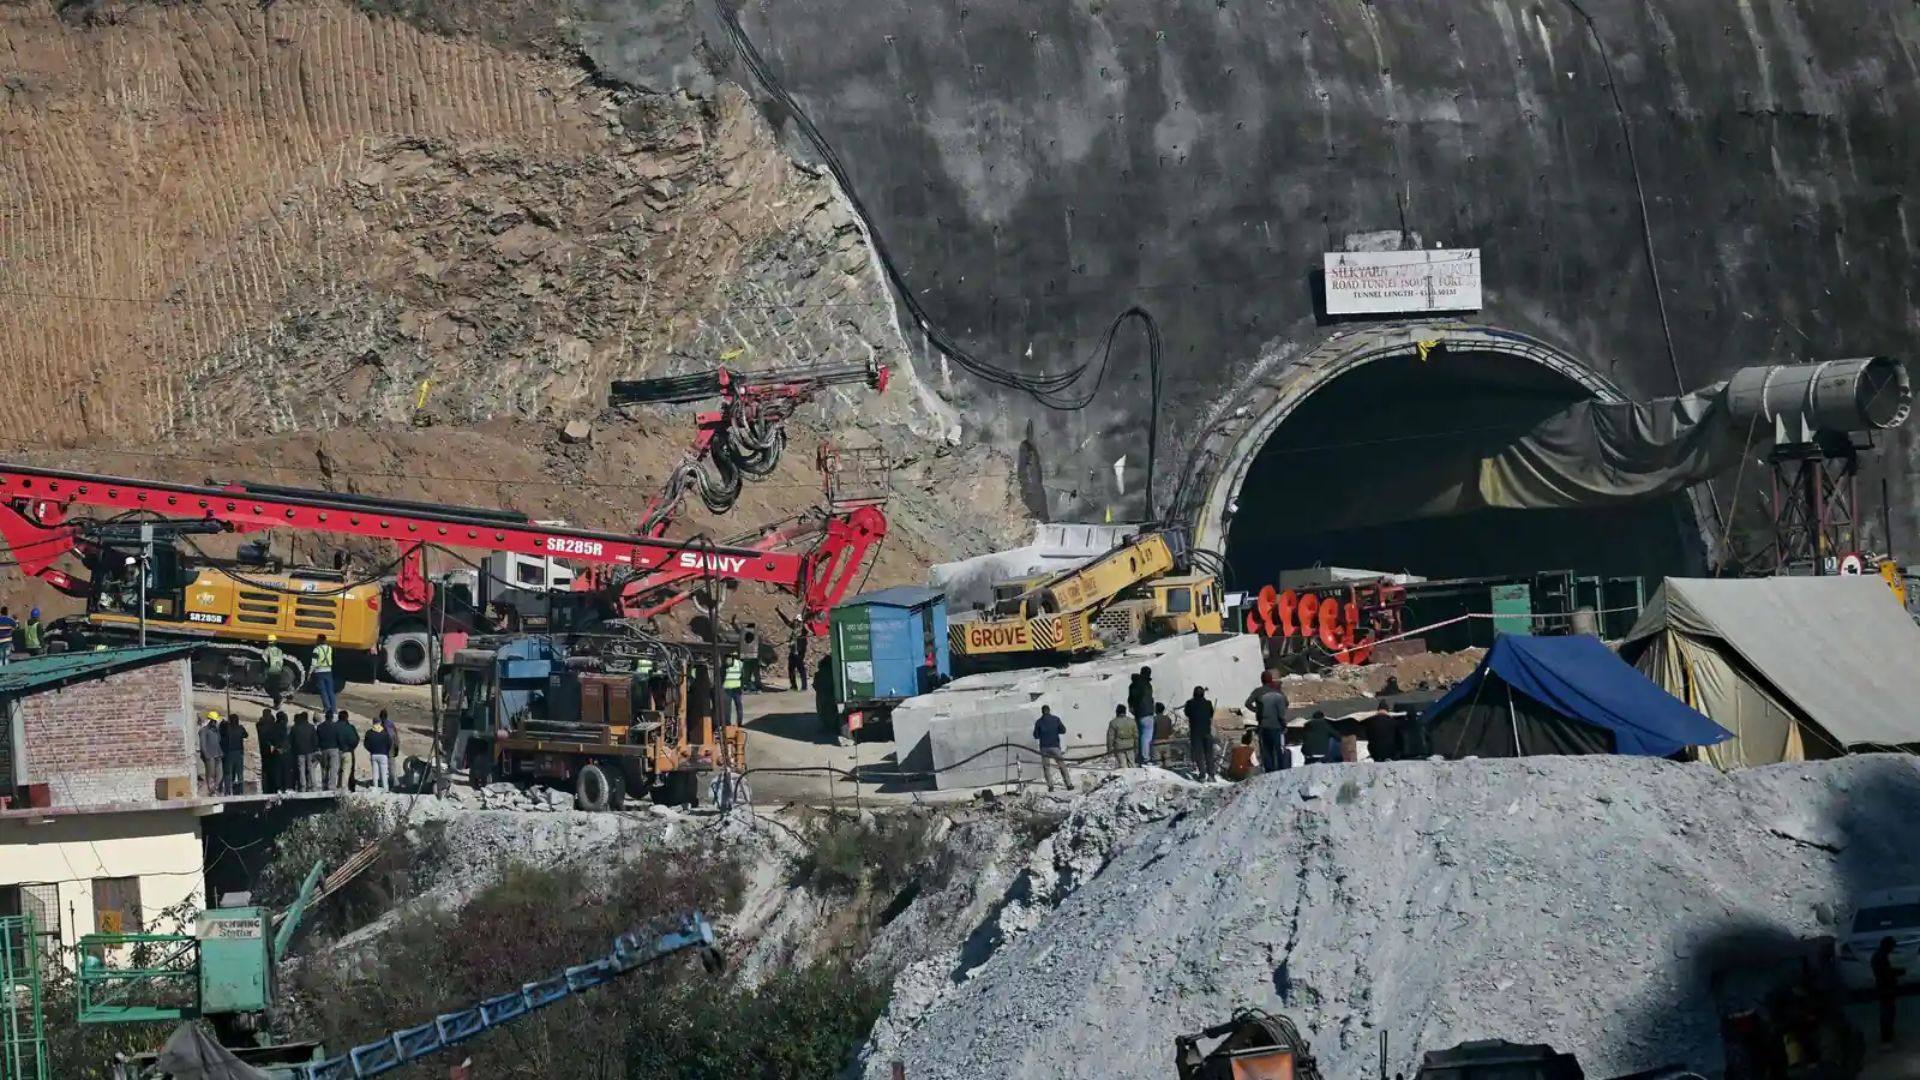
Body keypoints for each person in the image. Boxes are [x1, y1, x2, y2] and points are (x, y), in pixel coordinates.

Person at [1246, 669, 1291, 773]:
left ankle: (1269, 770)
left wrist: (1258, 710)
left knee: (1266, 749)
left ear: (1262, 680)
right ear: (1271, 680)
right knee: (1278, 748)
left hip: (1263, 724)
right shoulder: (1278, 692)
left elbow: (1247, 703)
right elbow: (1286, 703)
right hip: (1278, 725)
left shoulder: (1258, 691)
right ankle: (1281, 769)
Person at [1031, 705, 1074, 792]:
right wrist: (1055, 730)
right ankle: (1068, 784)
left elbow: (1036, 736)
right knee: (1062, 765)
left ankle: (1050, 786)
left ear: (1042, 712)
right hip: (1055, 746)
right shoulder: (1056, 719)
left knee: (1046, 768)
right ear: (1049, 711)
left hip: (1044, 747)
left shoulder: (1039, 722)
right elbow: (1063, 730)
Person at [1874, 936, 1905, 1044]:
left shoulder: (1879, 956)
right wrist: (1898, 972)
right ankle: (1886, 1036)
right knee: (1887, 1012)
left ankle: (1887, 1035)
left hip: (1885, 987)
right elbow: (1885, 973)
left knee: (1888, 1011)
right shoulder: (1880, 957)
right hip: (1885, 988)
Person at [1184, 687, 1217, 782]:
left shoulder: (1190, 703)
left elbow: (1187, 713)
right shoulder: (1208, 703)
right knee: (1209, 754)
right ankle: (1211, 775)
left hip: (1195, 732)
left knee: (1199, 754)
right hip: (1207, 731)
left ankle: (1202, 775)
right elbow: (1211, 714)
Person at [219, 711, 247, 795]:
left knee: (228, 772)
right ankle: (241, 790)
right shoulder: (240, 728)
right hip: (239, 753)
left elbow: (221, 732)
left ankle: (228, 791)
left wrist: (224, 724)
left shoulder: (227, 728)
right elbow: (246, 735)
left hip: (229, 753)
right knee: (240, 773)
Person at [365, 712, 394, 791]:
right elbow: (389, 743)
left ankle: (376, 787)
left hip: (374, 754)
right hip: (383, 754)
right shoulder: (384, 733)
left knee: (375, 772)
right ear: (380, 722)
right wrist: (386, 751)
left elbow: (366, 744)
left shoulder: (369, 732)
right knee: (384, 772)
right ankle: (385, 788)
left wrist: (371, 750)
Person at [255, 708, 282, 795]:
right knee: (273, 770)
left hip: (263, 749)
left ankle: (266, 789)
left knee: (265, 770)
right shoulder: (271, 725)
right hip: (271, 750)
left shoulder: (260, 725)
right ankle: (273, 787)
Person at [291, 712, 319, 791]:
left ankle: (303, 785)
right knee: (310, 768)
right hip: (310, 751)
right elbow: (315, 739)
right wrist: (315, 749)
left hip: (299, 751)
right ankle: (313, 784)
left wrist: (294, 750)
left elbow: (291, 740)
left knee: (301, 768)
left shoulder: (295, 727)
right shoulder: (311, 727)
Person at [198, 712, 224, 796]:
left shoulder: (216, 730)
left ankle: (216, 788)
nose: (215, 722)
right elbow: (202, 744)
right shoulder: (203, 730)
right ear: (211, 720)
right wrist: (206, 755)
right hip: (210, 756)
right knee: (211, 774)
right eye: (214, 721)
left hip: (218, 754)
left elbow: (219, 740)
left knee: (220, 774)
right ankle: (211, 791)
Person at [317, 710, 343, 791]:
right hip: (334, 749)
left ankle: (324, 785)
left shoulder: (320, 726)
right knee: (333, 768)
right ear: (332, 717)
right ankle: (332, 786)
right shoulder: (336, 726)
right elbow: (339, 738)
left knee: (324, 768)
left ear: (325, 717)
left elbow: (318, 738)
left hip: (324, 749)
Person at [311, 634, 337, 715]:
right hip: (328, 671)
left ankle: (327, 708)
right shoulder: (330, 648)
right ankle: (334, 709)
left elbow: (314, 663)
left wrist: (310, 672)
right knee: (330, 690)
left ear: (318, 640)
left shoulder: (316, 650)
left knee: (323, 691)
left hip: (319, 671)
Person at [335, 711, 360, 791]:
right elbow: (355, 739)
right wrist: (351, 748)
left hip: (336, 750)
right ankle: (344, 788)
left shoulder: (334, 726)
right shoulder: (350, 727)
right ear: (346, 717)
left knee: (337, 770)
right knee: (347, 771)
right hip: (348, 751)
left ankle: (337, 786)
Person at [274, 711, 297, 793]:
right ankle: (287, 787)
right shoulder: (287, 728)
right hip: (286, 751)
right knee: (287, 770)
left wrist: (276, 748)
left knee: (278, 771)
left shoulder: (274, 727)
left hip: (277, 751)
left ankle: (279, 788)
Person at [263, 634, 287, 707]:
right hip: (279, 671)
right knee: (275, 688)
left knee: (267, 688)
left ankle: (279, 698)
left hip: (272, 671)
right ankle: (276, 704)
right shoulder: (279, 650)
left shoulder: (267, 650)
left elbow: (265, 661)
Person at [722, 654, 745, 726]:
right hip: (733, 688)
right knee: (737, 706)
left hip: (730, 688)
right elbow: (743, 676)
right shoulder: (740, 663)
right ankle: (737, 723)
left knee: (729, 708)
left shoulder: (725, 664)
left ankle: (728, 724)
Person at [740, 623, 761, 691]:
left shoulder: (743, 634)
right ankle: (756, 685)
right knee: (754, 672)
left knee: (747, 673)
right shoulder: (755, 635)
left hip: (747, 656)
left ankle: (747, 685)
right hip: (753, 656)